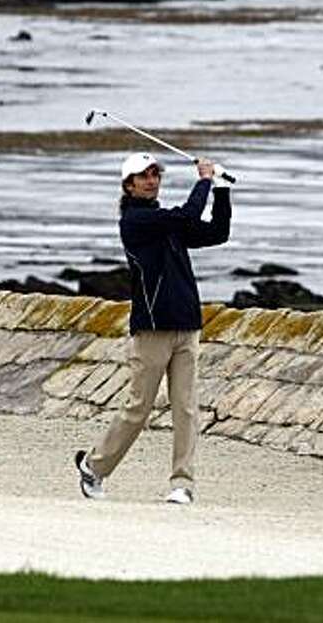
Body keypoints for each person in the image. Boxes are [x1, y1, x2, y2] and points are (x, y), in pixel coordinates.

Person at [75, 151, 232, 504]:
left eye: (155, 175)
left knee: (186, 408)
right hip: (152, 329)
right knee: (139, 407)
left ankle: (182, 484)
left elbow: (217, 233)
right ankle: (94, 467)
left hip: (187, 324)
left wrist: (220, 190)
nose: (151, 181)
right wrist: (204, 179)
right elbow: (188, 213)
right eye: (143, 176)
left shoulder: (166, 223)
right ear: (128, 185)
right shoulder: (136, 222)